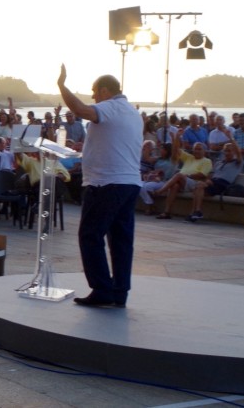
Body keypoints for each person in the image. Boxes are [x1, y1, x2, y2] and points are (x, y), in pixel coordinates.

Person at [58, 65, 142, 309]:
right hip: (129, 183)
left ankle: (102, 289)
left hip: (106, 183)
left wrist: (62, 86)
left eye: (95, 92)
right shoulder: (131, 112)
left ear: (105, 91)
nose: (93, 97)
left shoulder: (111, 107)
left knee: (90, 235)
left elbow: (80, 109)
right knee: (121, 240)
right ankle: (120, 291)